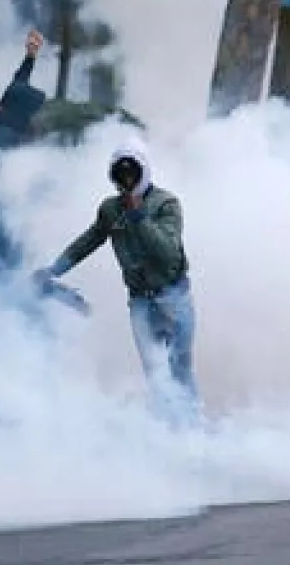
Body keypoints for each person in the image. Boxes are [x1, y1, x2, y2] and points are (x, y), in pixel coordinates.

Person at [34, 142, 201, 423]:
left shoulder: (166, 204)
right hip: (139, 300)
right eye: (120, 175)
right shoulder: (110, 210)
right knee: (153, 368)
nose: (127, 181)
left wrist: (139, 217)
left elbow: (167, 253)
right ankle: (167, 430)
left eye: (132, 173)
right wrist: (54, 270)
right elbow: (88, 242)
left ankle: (193, 427)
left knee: (179, 367)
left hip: (173, 297)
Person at [0, 28, 47, 276]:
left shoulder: (7, 109)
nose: (34, 119)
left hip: (7, 210)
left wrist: (30, 56)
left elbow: (19, 82)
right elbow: (5, 182)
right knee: (5, 268)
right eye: (31, 113)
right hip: (2, 211)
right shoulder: (2, 137)